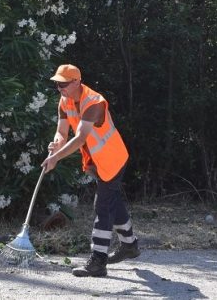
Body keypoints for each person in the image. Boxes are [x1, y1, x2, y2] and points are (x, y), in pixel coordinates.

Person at [40, 64, 140, 277]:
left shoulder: (94, 103)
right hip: (97, 162)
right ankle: (130, 245)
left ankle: (98, 262)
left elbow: (80, 138)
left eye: (64, 84)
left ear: (77, 81)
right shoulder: (65, 100)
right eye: (57, 84)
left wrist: (56, 158)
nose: (60, 88)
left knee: (102, 206)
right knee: (112, 200)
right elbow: (61, 131)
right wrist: (55, 144)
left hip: (112, 159)